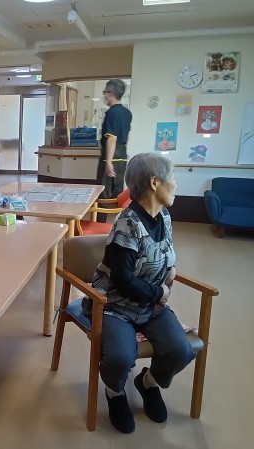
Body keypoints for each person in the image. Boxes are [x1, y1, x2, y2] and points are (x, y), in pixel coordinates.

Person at [83, 152, 195, 434]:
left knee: (181, 350)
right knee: (120, 358)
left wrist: (171, 270)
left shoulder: (164, 216)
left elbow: (165, 254)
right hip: (115, 306)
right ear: (155, 183)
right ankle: (114, 392)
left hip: (150, 307)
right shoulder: (127, 224)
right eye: (172, 178)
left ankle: (148, 383)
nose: (176, 184)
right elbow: (122, 279)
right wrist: (159, 293)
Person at [97, 79, 132, 222]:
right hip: (122, 157)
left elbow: (112, 138)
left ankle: (99, 226)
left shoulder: (111, 113)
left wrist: (108, 162)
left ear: (110, 93)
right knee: (118, 195)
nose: (104, 95)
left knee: (103, 196)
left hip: (111, 156)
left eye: (105, 92)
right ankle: (120, 224)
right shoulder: (127, 113)